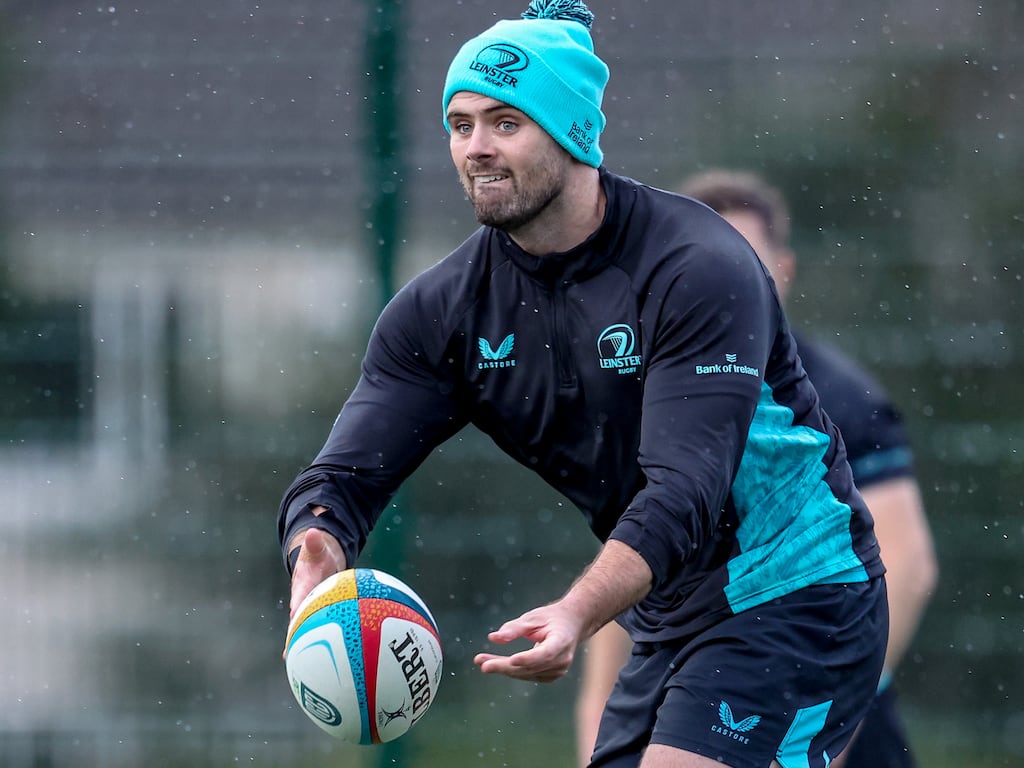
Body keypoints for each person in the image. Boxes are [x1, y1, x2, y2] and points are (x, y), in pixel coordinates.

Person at [278, 2, 889, 766]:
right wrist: (316, 541)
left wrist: (577, 610)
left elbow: (686, 490)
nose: (476, 147)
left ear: (572, 132)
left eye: (505, 122)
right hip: (669, 615)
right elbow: (344, 476)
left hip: (797, 590)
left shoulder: (697, 266)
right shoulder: (441, 313)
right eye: (461, 125)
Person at [574, 170, 938, 768]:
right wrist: (597, 719)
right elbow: (634, 557)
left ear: (783, 271)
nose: (724, 281)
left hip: (819, 702)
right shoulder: (651, 395)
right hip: (681, 697)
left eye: (745, 263)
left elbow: (908, 563)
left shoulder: (842, 400)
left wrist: (839, 708)